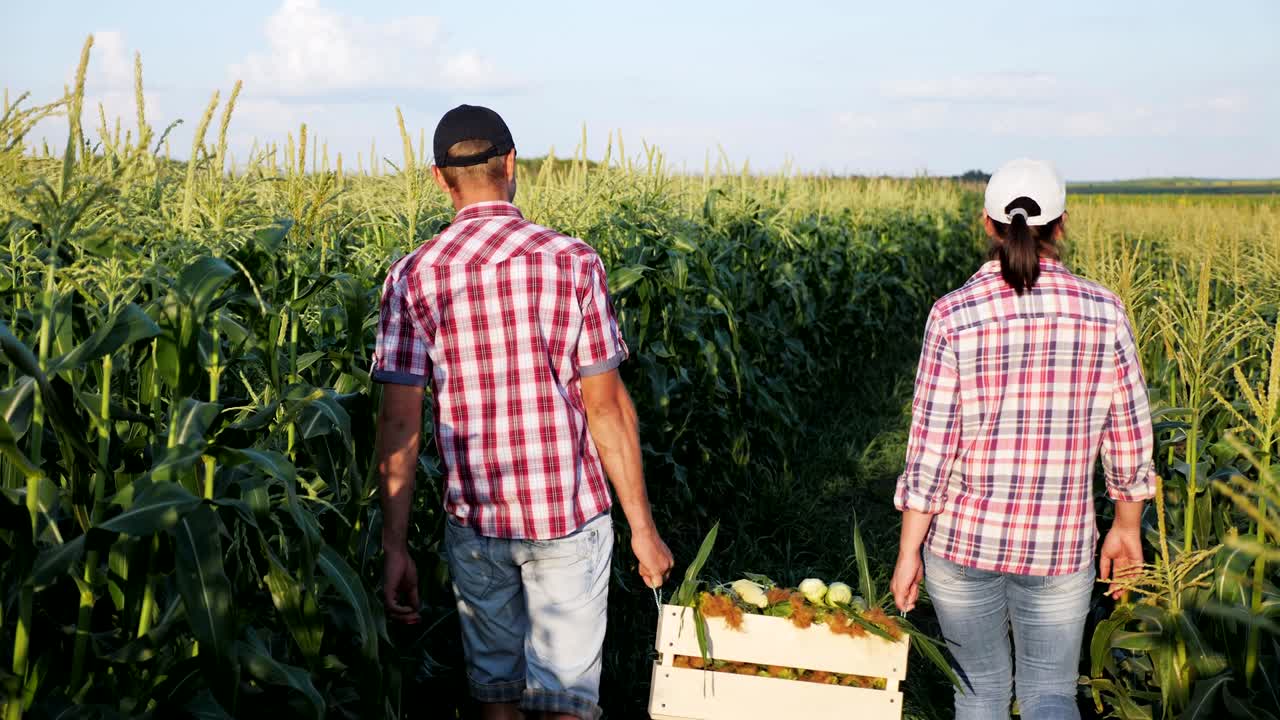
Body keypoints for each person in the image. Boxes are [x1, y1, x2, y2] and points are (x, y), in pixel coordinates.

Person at [372, 104, 674, 720]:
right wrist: (643, 528)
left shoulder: (411, 276)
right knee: (565, 702)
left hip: (477, 525)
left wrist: (395, 545)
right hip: (567, 515)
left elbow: (399, 427)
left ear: (438, 178)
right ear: (512, 164)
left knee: (496, 698)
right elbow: (608, 408)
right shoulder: (573, 261)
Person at [889, 159, 1155, 719]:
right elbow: (1128, 432)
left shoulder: (953, 315)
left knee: (978, 693)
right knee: (1051, 694)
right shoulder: (1104, 313)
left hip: (962, 544)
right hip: (1059, 547)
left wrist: (909, 549)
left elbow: (931, 448)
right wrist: (1126, 528)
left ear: (987, 224)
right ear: (1061, 226)